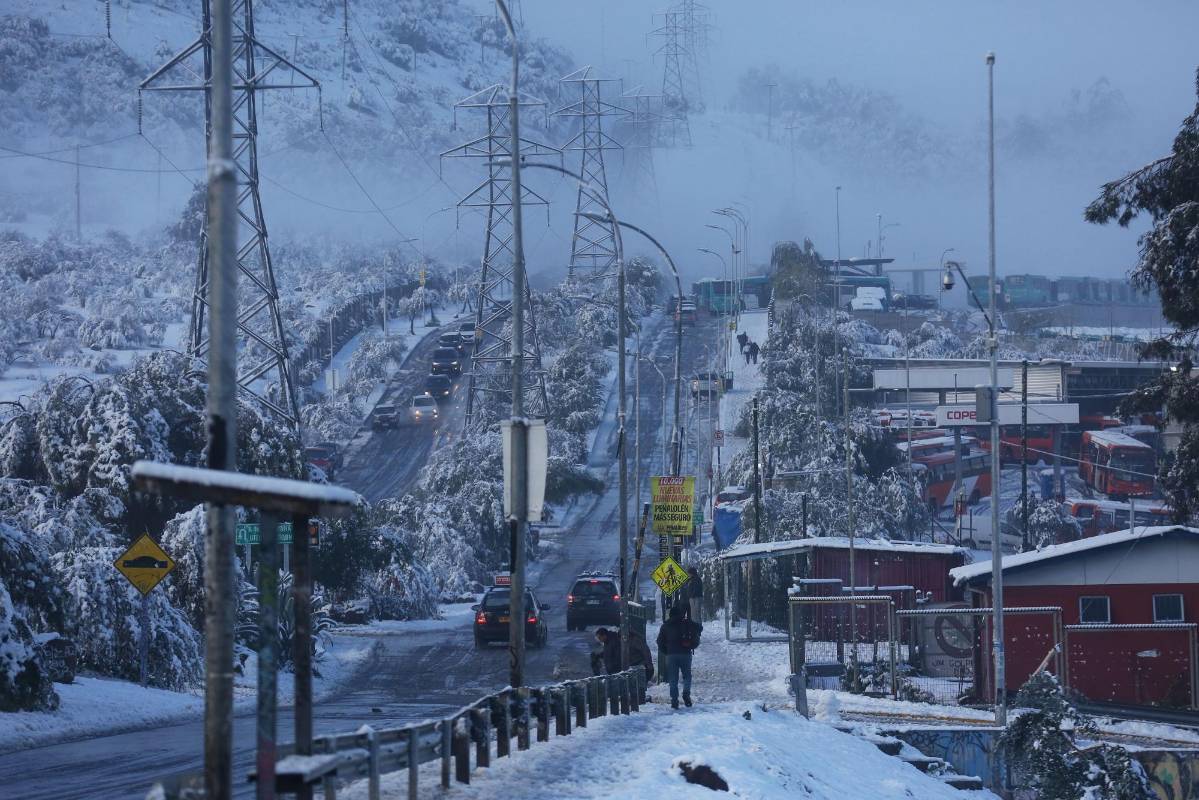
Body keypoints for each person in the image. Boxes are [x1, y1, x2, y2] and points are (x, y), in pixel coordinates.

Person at [656, 604, 701, 709]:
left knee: (673, 679)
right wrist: (691, 645)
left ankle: (674, 700)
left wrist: (666, 651)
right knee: (687, 676)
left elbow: (659, 641)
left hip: (671, 655)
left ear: (670, 615)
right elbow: (698, 631)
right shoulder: (686, 623)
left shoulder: (665, 626)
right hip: (686, 654)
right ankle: (686, 694)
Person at [595, 628, 655, 695]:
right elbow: (609, 653)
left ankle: (639, 697)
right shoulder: (611, 641)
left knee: (637, 688)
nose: (599, 640)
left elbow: (645, 652)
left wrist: (649, 665)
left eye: (599, 637)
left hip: (637, 666)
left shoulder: (634, 640)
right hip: (625, 668)